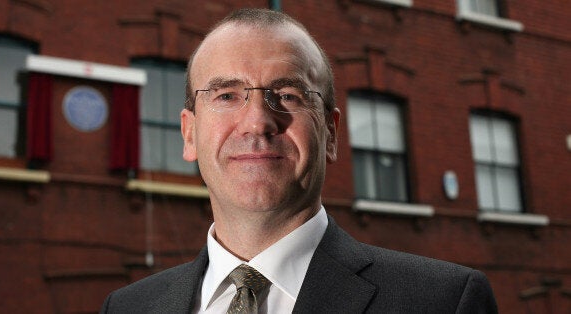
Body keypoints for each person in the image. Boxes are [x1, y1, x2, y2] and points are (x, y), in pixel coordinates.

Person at [101, 8, 498, 314]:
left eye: (288, 95)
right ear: (189, 133)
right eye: (226, 96)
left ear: (330, 133)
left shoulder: (443, 302)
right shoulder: (127, 308)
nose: (257, 121)